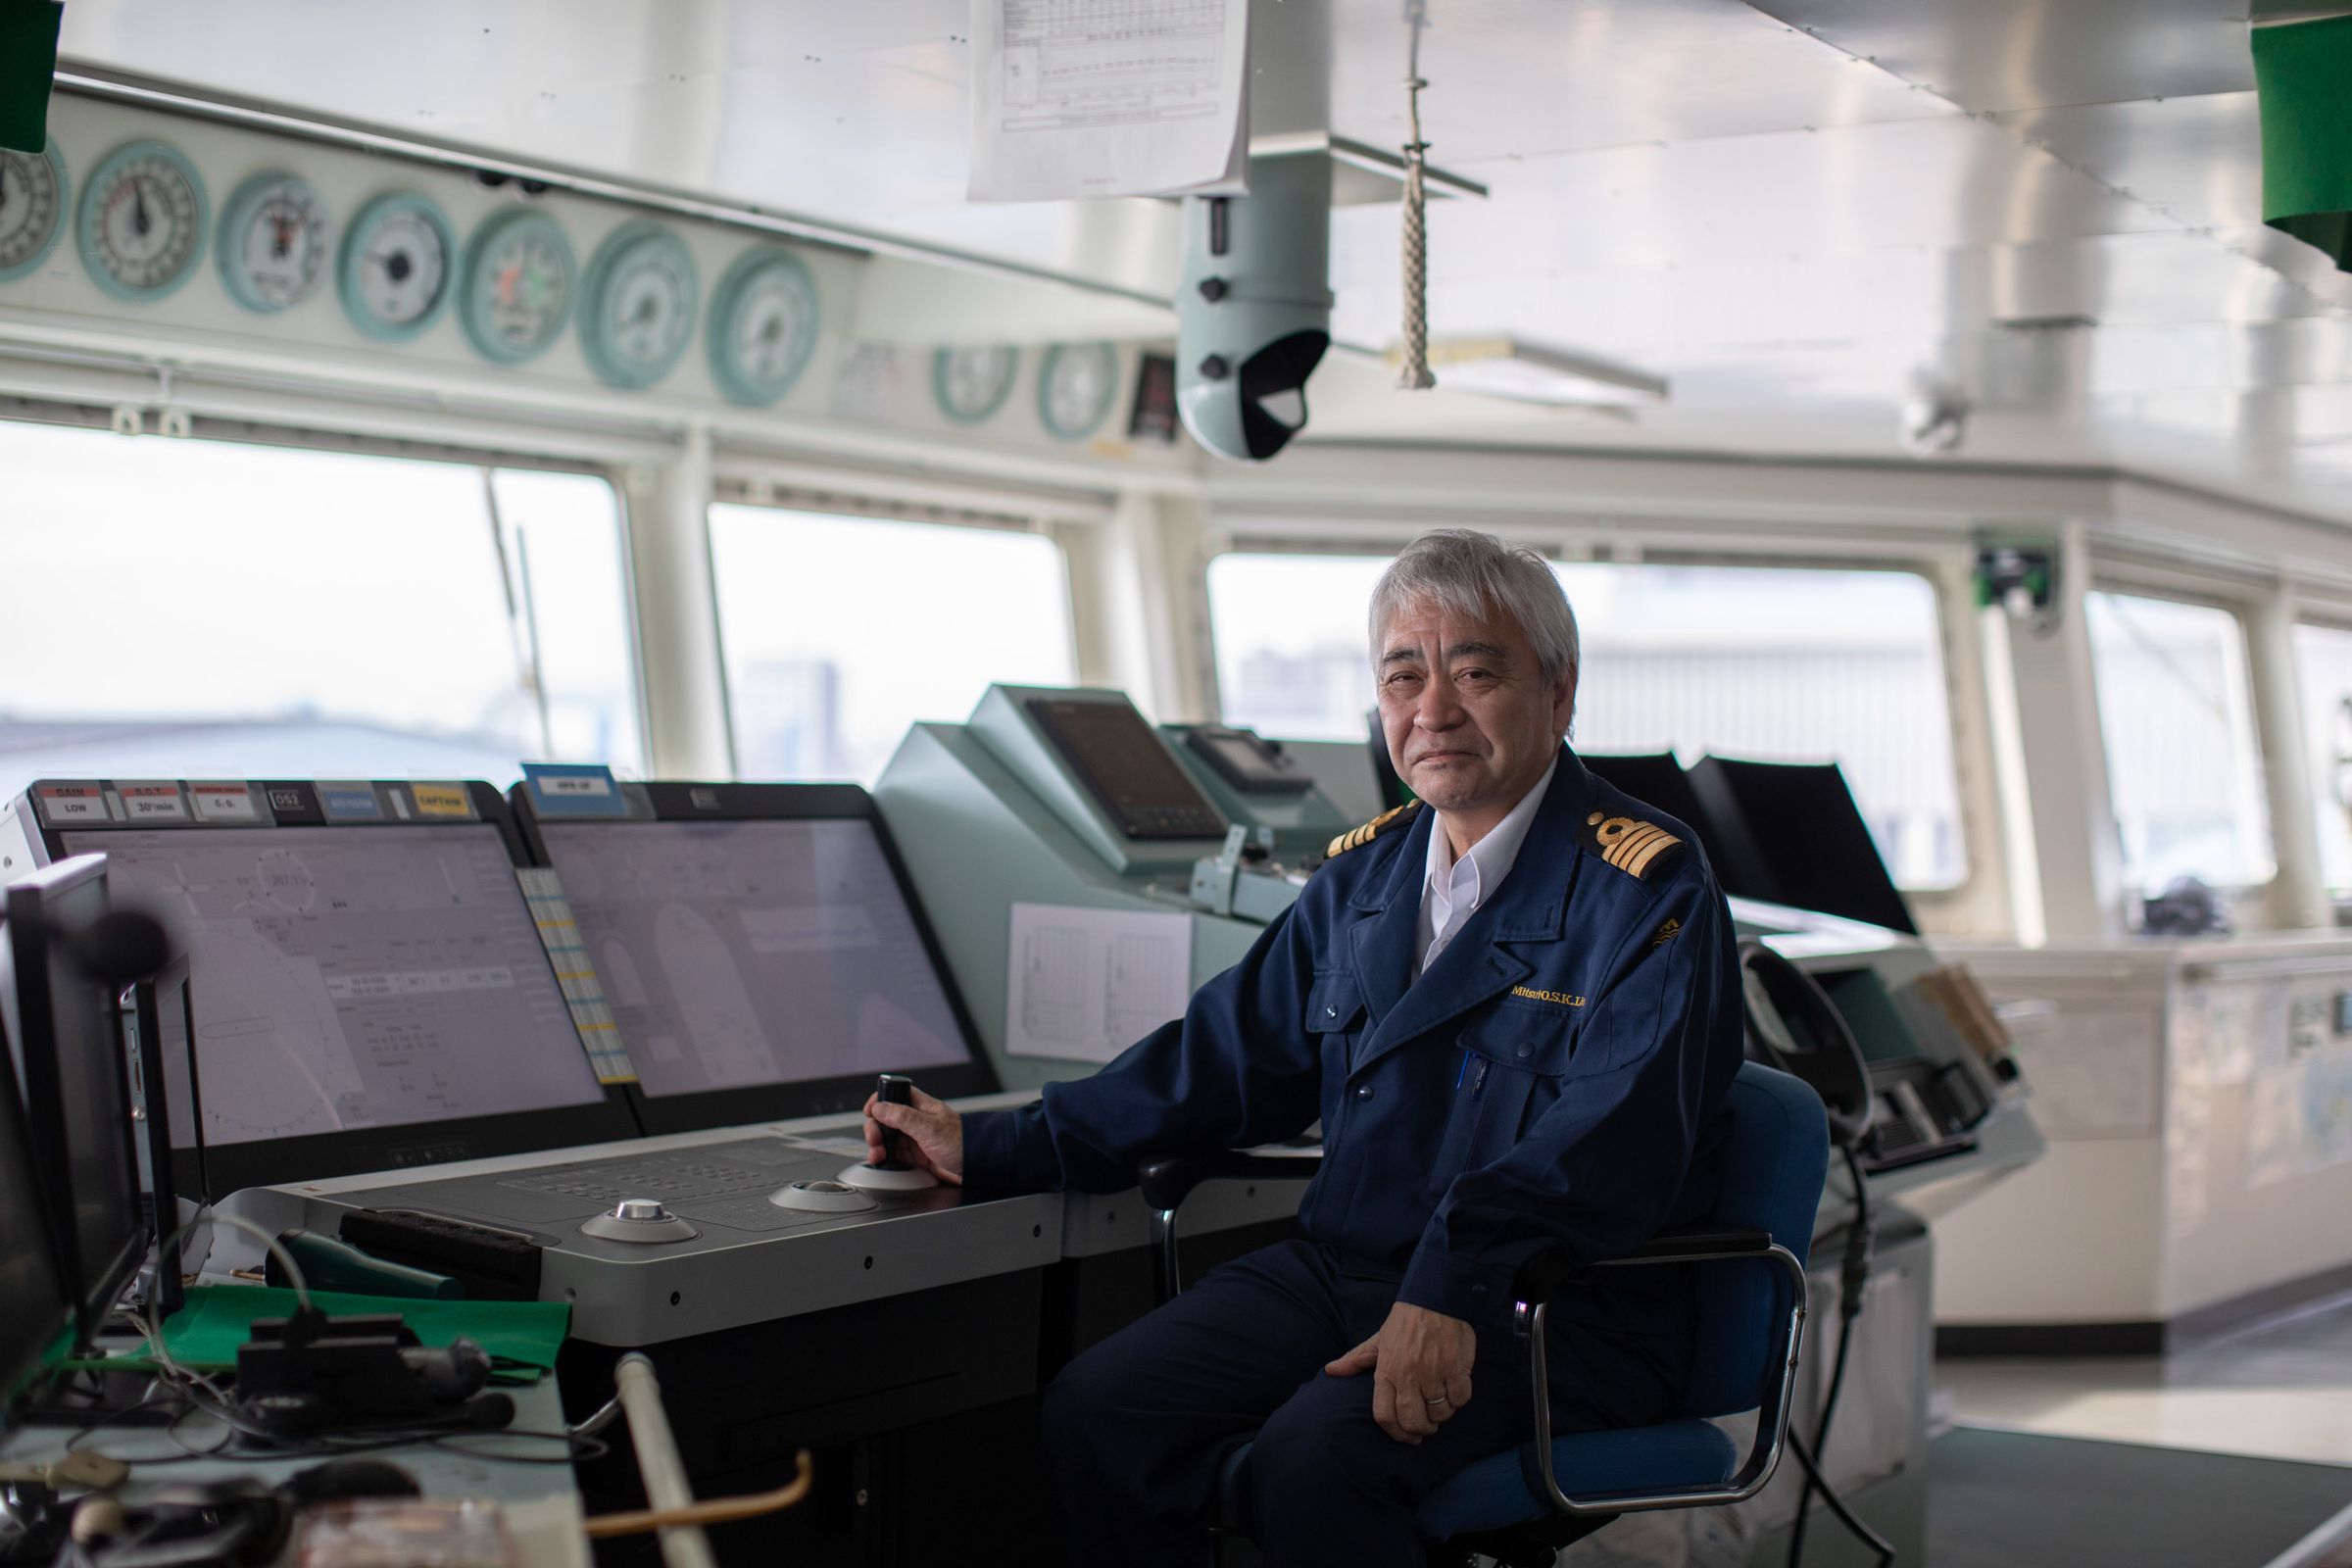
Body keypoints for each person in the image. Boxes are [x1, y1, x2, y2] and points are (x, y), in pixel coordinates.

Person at [865, 528, 1742, 1567]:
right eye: (1403, 676)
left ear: (1559, 691)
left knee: (1313, 1460)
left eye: (1475, 671)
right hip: (1351, 1270)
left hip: (1553, 1306)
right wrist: (1000, 1145)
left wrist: (1454, 1284)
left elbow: (1611, 1139)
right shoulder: (1361, 881)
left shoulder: (1645, 887)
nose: (1433, 710)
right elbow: (1221, 1064)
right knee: (1100, 1408)